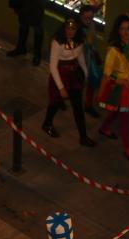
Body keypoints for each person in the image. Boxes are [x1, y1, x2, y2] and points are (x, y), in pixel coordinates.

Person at [97, 14, 129, 161]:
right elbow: (107, 73)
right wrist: (119, 80)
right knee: (125, 116)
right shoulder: (113, 50)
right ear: (117, 31)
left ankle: (104, 127)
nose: (125, 32)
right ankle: (128, 148)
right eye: (122, 29)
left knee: (119, 112)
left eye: (128, 29)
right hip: (119, 88)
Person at [42, 18, 96, 147]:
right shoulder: (57, 41)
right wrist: (61, 88)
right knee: (55, 103)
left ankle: (83, 137)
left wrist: (86, 72)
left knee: (78, 106)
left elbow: (79, 56)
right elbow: (53, 66)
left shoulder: (79, 40)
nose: (70, 31)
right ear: (63, 28)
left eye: (73, 29)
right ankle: (47, 124)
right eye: (68, 28)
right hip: (60, 74)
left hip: (74, 75)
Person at [80, 5, 102, 118]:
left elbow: (93, 41)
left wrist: (95, 53)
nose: (88, 21)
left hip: (90, 58)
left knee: (92, 82)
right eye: (86, 18)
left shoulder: (92, 24)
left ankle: (88, 104)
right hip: (79, 61)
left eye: (91, 18)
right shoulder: (76, 28)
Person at [7, 0, 45, 66]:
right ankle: (21, 48)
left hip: (36, 4)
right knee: (23, 23)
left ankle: (37, 55)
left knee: (37, 26)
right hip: (24, 3)